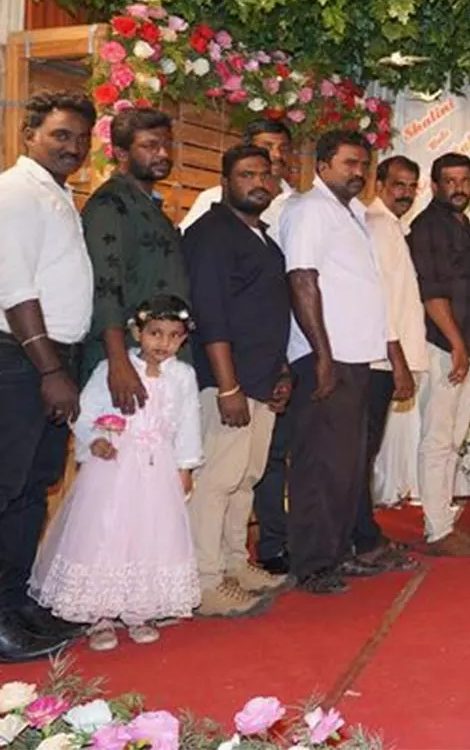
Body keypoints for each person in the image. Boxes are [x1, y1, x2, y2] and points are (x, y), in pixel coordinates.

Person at [279, 131, 415, 595]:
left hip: (358, 358)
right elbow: (302, 279)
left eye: (363, 165)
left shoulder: (352, 213)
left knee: (347, 466)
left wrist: (389, 353)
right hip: (327, 357)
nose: (358, 172)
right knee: (319, 465)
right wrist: (321, 355)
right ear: (322, 165)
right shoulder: (310, 209)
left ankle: (337, 553)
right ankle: (312, 564)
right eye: (348, 163)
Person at [31, 295, 203, 651]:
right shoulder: (114, 368)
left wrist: (185, 467)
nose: (164, 343)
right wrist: (95, 440)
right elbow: (86, 410)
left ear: (184, 339)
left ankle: (139, 609)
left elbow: (189, 423)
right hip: (115, 467)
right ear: (137, 332)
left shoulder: (183, 376)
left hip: (158, 471)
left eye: (174, 336)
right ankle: (100, 615)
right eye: (155, 333)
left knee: (149, 533)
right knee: (106, 533)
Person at [0, 92, 96, 661]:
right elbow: (14, 290)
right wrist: (51, 369)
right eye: (61, 134)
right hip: (21, 360)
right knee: (5, 487)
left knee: (33, 489)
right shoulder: (15, 192)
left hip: (47, 360)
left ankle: (14, 604)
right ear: (29, 134)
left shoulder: (56, 195)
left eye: (82, 138)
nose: (73, 147)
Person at [182, 144, 292, 617]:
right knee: (217, 481)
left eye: (265, 174)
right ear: (225, 182)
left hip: (261, 379)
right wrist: (228, 387)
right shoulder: (211, 234)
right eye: (247, 174)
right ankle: (205, 581)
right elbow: (210, 315)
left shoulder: (262, 236)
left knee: (246, 478)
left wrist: (280, 372)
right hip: (228, 382)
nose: (259, 183)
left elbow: (269, 313)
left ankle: (233, 564)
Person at [81, 107, 191, 408]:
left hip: (156, 359)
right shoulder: (109, 205)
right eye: (150, 146)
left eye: (166, 144)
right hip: (124, 362)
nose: (163, 153)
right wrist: (118, 363)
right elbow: (105, 286)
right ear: (121, 153)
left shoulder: (149, 206)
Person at [347, 156, 426, 572]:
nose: (405, 192)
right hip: (377, 359)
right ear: (378, 184)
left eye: (411, 186)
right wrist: (398, 361)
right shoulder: (376, 226)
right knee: (360, 454)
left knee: (365, 451)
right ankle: (361, 538)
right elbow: (377, 301)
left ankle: (363, 534)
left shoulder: (393, 227)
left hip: (384, 357)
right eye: (398, 184)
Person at [408, 153, 470, 556]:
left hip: (466, 345)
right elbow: (431, 292)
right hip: (444, 345)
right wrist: (456, 344)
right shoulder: (428, 226)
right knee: (439, 436)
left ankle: (442, 518)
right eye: (450, 181)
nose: (458, 188)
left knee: (454, 436)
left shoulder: (462, 223)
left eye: (464, 180)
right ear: (435, 185)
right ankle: (436, 528)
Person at [178, 119, 298, 233]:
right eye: (267, 147)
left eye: (284, 148)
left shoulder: (298, 204)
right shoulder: (214, 197)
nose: (277, 155)